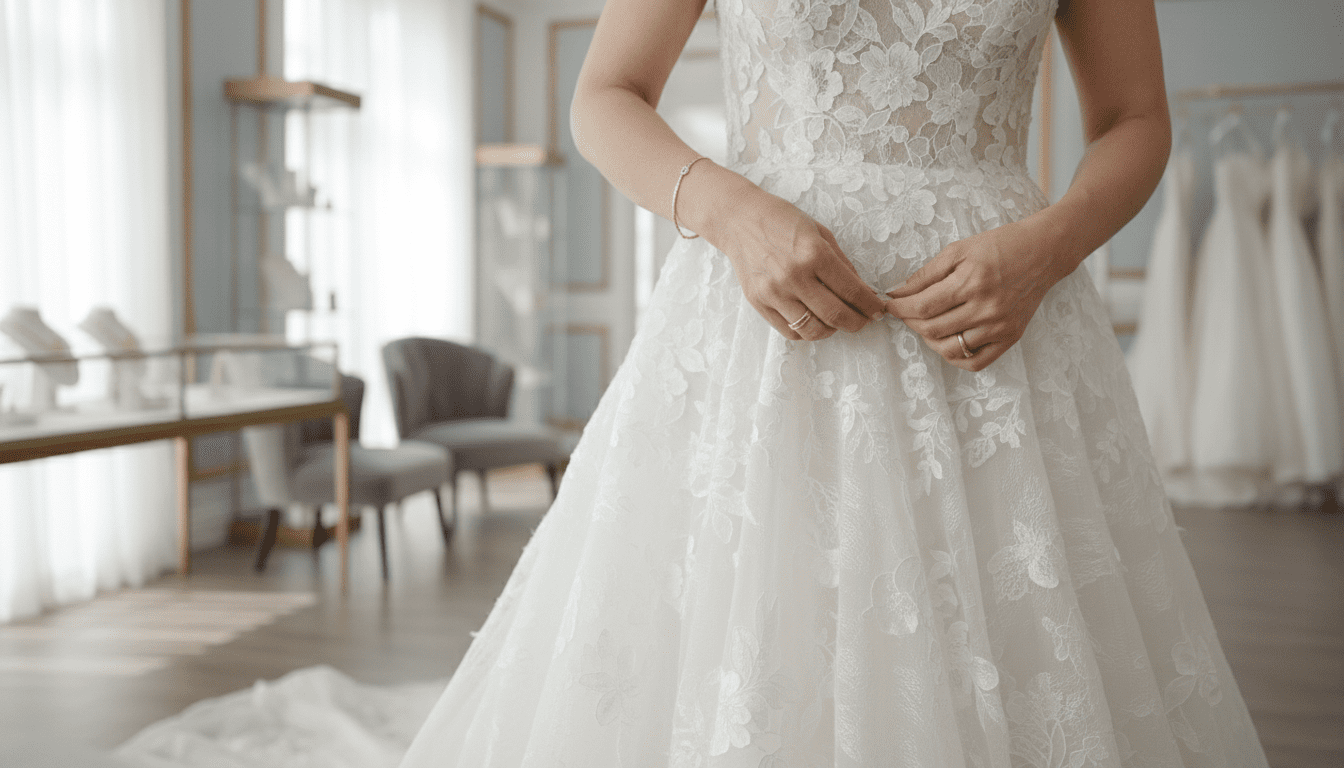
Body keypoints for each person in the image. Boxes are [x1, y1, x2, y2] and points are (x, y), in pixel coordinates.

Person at [400, 0, 1271, 765]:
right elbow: (604, 96)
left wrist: (1046, 250)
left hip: (1001, 331)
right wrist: (727, 211)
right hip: (757, 328)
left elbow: (1134, 117)